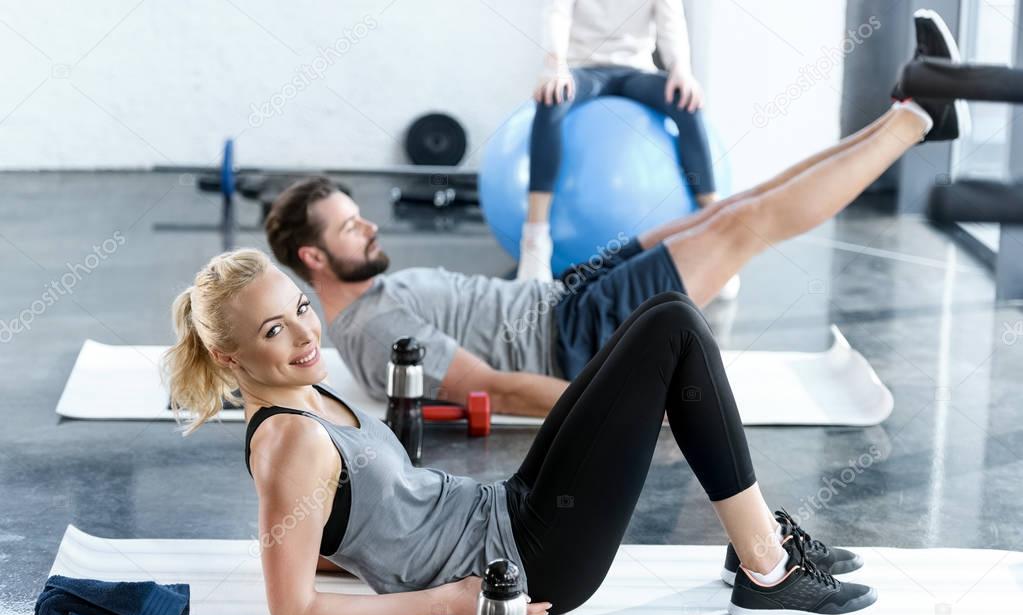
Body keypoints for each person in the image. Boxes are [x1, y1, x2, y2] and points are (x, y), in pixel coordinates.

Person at [263, 10, 964, 422]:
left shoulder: (377, 299)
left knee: (734, 206)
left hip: (571, 293)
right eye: (349, 226)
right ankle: (913, 119)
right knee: (742, 229)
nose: (370, 226)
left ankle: (905, 104)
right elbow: (497, 388)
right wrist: (611, 408)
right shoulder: (376, 329)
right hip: (578, 334)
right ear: (314, 258)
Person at [165, 247, 874, 615]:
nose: (304, 332)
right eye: (273, 331)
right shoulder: (289, 443)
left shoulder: (305, 394)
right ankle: (764, 571)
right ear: (230, 359)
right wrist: (446, 598)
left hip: (505, 508)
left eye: (297, 307)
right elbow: (294, 614)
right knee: (675, 332)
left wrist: (378, 561)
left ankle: (753, 545)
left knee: (664, 310)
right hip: (526, 560)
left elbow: (335, 530)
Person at [520, 0, 717, 281]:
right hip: (582, 71)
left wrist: (681, 69)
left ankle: (714, 223)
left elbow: (671, 24)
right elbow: (556, 14)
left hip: (635, 71)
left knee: (687, 102)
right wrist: (555, 64)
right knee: (551, 100)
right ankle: (535, 238)